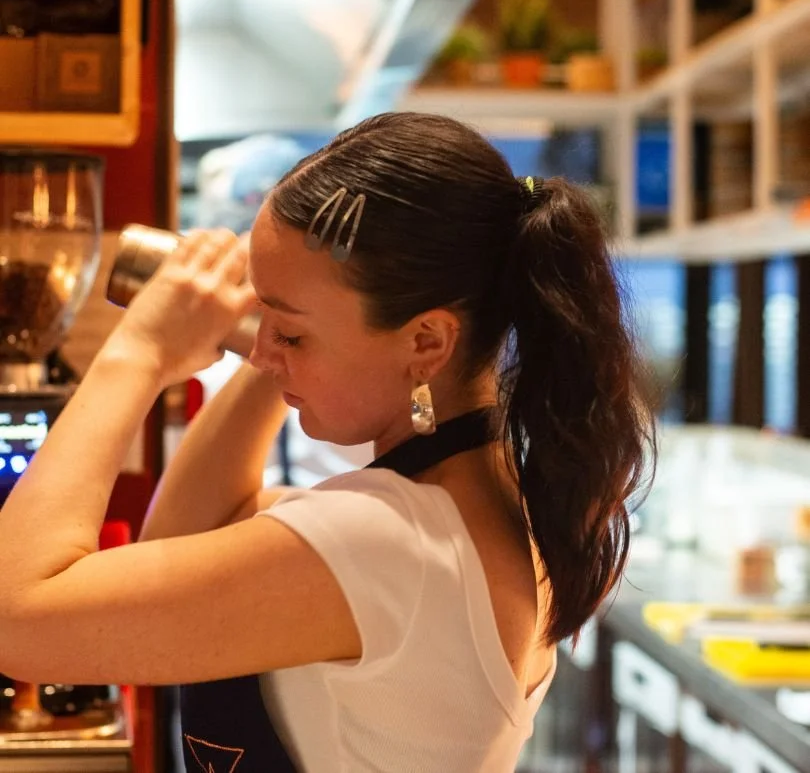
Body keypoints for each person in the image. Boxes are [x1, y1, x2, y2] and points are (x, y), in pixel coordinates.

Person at [0, 112, 654, 772]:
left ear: (426, 341)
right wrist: (286, 335)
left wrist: (138, 351)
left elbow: (13, 620)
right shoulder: (480, 507)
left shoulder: (385, 540)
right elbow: (181, 539)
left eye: (290, 334)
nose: (261, 349)